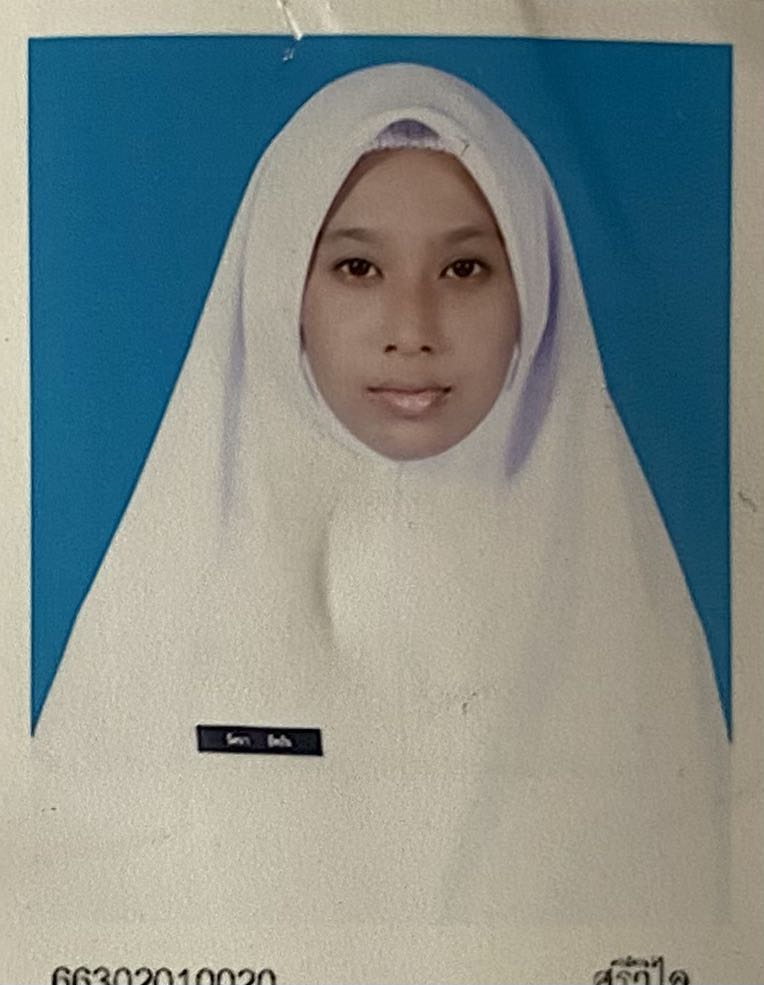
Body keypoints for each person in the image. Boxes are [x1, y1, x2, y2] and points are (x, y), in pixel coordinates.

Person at [31, 63, 727, 944]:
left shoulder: (632, 633)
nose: (412, 328)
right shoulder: (150, 625)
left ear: (534, 290)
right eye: (358, 267)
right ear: (283, 287)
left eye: (465, 267)